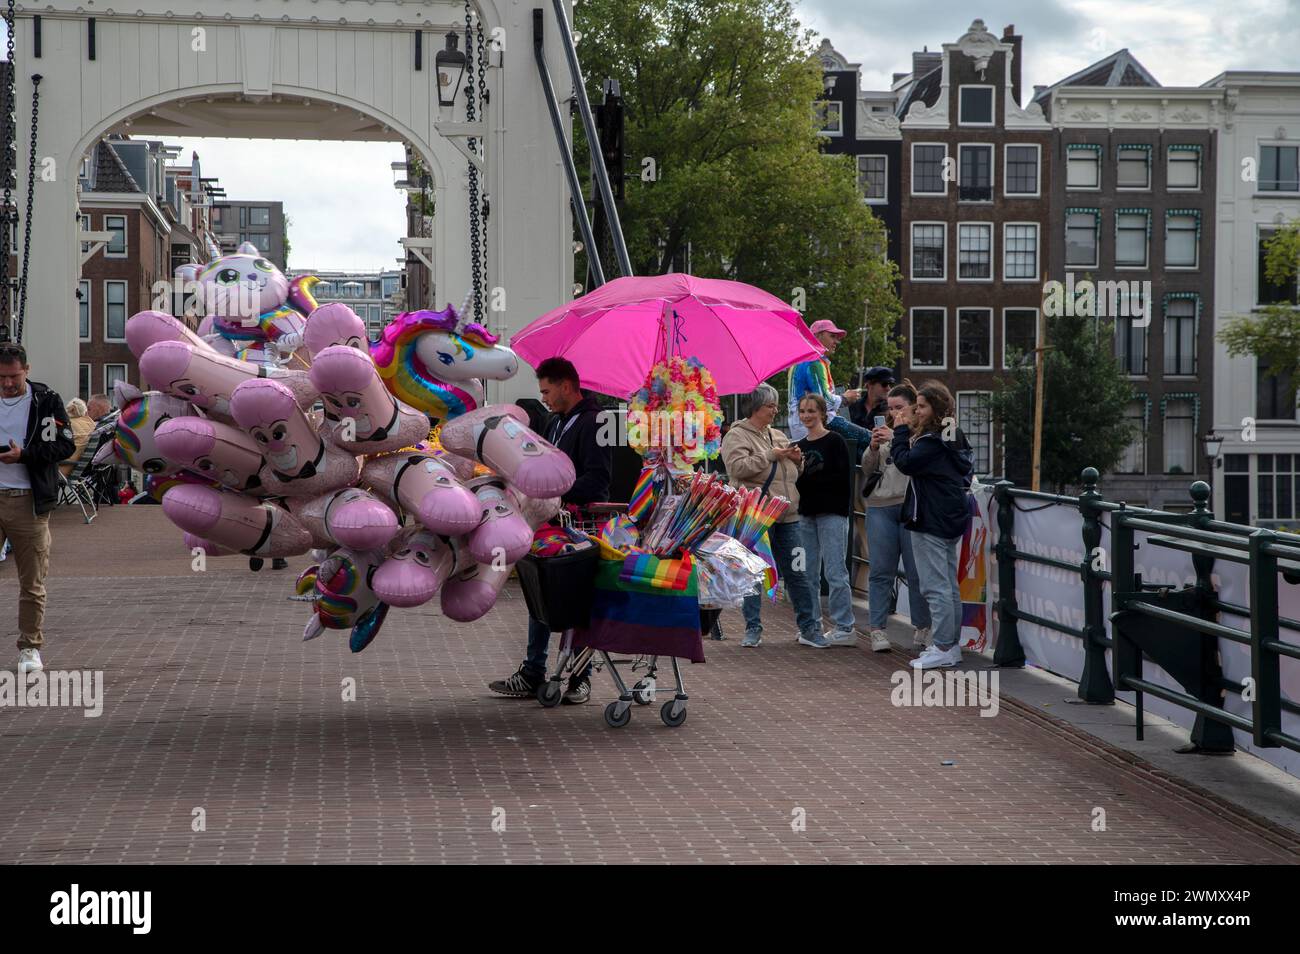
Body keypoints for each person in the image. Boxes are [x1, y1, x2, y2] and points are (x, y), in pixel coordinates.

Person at [489, 356, 612, 703]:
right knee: (539, 594)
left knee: (578, 601)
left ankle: (580, 676)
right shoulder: (555, 421)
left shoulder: (595, 421)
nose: (542, 397)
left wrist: (553, 491)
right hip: (549, 524)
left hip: (579, 527)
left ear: (566, 386)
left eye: (546, 390)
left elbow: (598, 481)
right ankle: (533, 671)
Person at [721, 382, 822, 648]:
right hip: (756, 514)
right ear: (755, 407)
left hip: (788, 513)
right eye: (770, 405)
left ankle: (809, 627)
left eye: (776, 404)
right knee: (753, 573)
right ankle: (753, 627)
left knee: (798, 571)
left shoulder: (777, 434)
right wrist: (770, 455)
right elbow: (737, 468)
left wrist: (797, 460)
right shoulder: (736, 435)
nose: (775, 410)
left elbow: (790, 473)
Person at [882, 381, 974, 671]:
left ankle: (944, 646)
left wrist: (898, 432)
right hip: (949, 515)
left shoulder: (932, 441)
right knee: (948, 584)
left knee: (935, 586)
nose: (916, 410)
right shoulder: (952, 435)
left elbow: (905, 463)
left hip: (930, 517)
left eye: (921, 406)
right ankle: (950, 645)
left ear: (934, 408)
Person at [0, 342, 77, 674]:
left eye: (13, 377)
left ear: (27, 371)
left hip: (27, 499)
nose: (6, 384)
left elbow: (64, 444)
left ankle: (29, 647)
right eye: (1, 377)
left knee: (31, 579)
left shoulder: (46, 401)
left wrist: (24, 456)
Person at [861, 382, 931, 653]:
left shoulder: (922, 433)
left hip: (910, 504)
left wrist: (897, 436)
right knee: (880, 570)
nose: (894, 414)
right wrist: (874, 447)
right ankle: (877, 630)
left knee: (916, 572)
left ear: (914, 407)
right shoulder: (885, 432)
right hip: (880, 504)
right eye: (890, 409)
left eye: (900, 408)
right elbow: (868, 468)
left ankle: (922, 626)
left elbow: (920, 461)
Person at [793, 394, 857, 647]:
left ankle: (845, 626)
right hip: (807, 514)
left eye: (811, 411)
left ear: (821, 413)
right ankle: (813, 624)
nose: (806, 415)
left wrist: (805, 473)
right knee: (807, 572)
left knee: (835, 570)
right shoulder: (798, 446)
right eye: (802, 411)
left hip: (832, 513)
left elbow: (841, 479)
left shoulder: (835, 442)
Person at [786, 320, 873, 456]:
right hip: (818, 423)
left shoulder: (800, 361)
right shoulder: (814, 361)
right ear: (818, 336)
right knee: (872, 439)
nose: (836, 341)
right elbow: (824, 402)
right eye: (832, 336)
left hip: (801, 426)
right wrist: (845, 398)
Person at [59, 398, 96, 478]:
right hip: (81, 469)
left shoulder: (67, 425)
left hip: (62, 469)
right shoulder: (91, 424)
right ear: (85, 411)